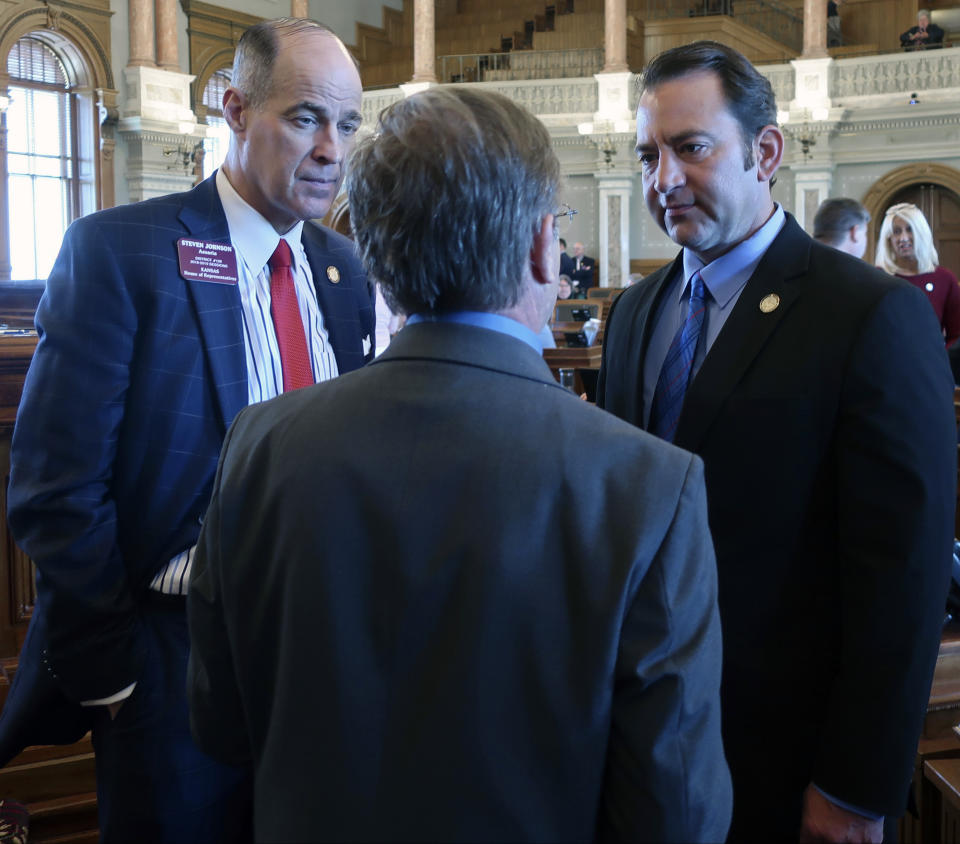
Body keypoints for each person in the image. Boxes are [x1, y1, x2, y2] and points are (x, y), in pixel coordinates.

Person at [187, 86, 733, 843]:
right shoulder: (646, 486)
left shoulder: (260, 444)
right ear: (545, 246)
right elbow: (675, 811)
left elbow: (220, 726)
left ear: (374, 250)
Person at [0, 18, 374, 841]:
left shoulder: (348, 277)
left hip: (319, 653)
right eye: (307, 117)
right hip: (172, 656)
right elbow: (55, 489)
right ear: (236, 111)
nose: (332, 151)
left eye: (348, 125)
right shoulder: (121, 252)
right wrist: (115, 677)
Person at [597, 40, 955, 843]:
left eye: (690, 148)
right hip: (640, 744)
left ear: (765, 153)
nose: (662, 179)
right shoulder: (634, 313)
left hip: (792, 766)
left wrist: (857, 785)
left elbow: (903, 573)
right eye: (648, 153)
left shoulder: (867, 315)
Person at [876, 201, 960, 346]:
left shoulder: (945, 279)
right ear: (888, 238)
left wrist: (939, 361)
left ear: (922, 233)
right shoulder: (877, 278)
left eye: (910, 229)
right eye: (896, 231)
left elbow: (956, 335)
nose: (903, 238)